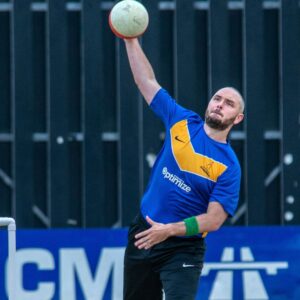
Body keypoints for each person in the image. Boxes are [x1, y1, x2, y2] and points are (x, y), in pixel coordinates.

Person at [123, 38, 244, 300]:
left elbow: (213, 220)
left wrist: (168, 230)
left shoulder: (229, 166)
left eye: (229, 104)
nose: (220, 104)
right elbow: (146, 82)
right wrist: (130, 39)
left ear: (238, 118)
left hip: (182, 247)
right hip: (144, 233)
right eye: (217, 98)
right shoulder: (182, 121)